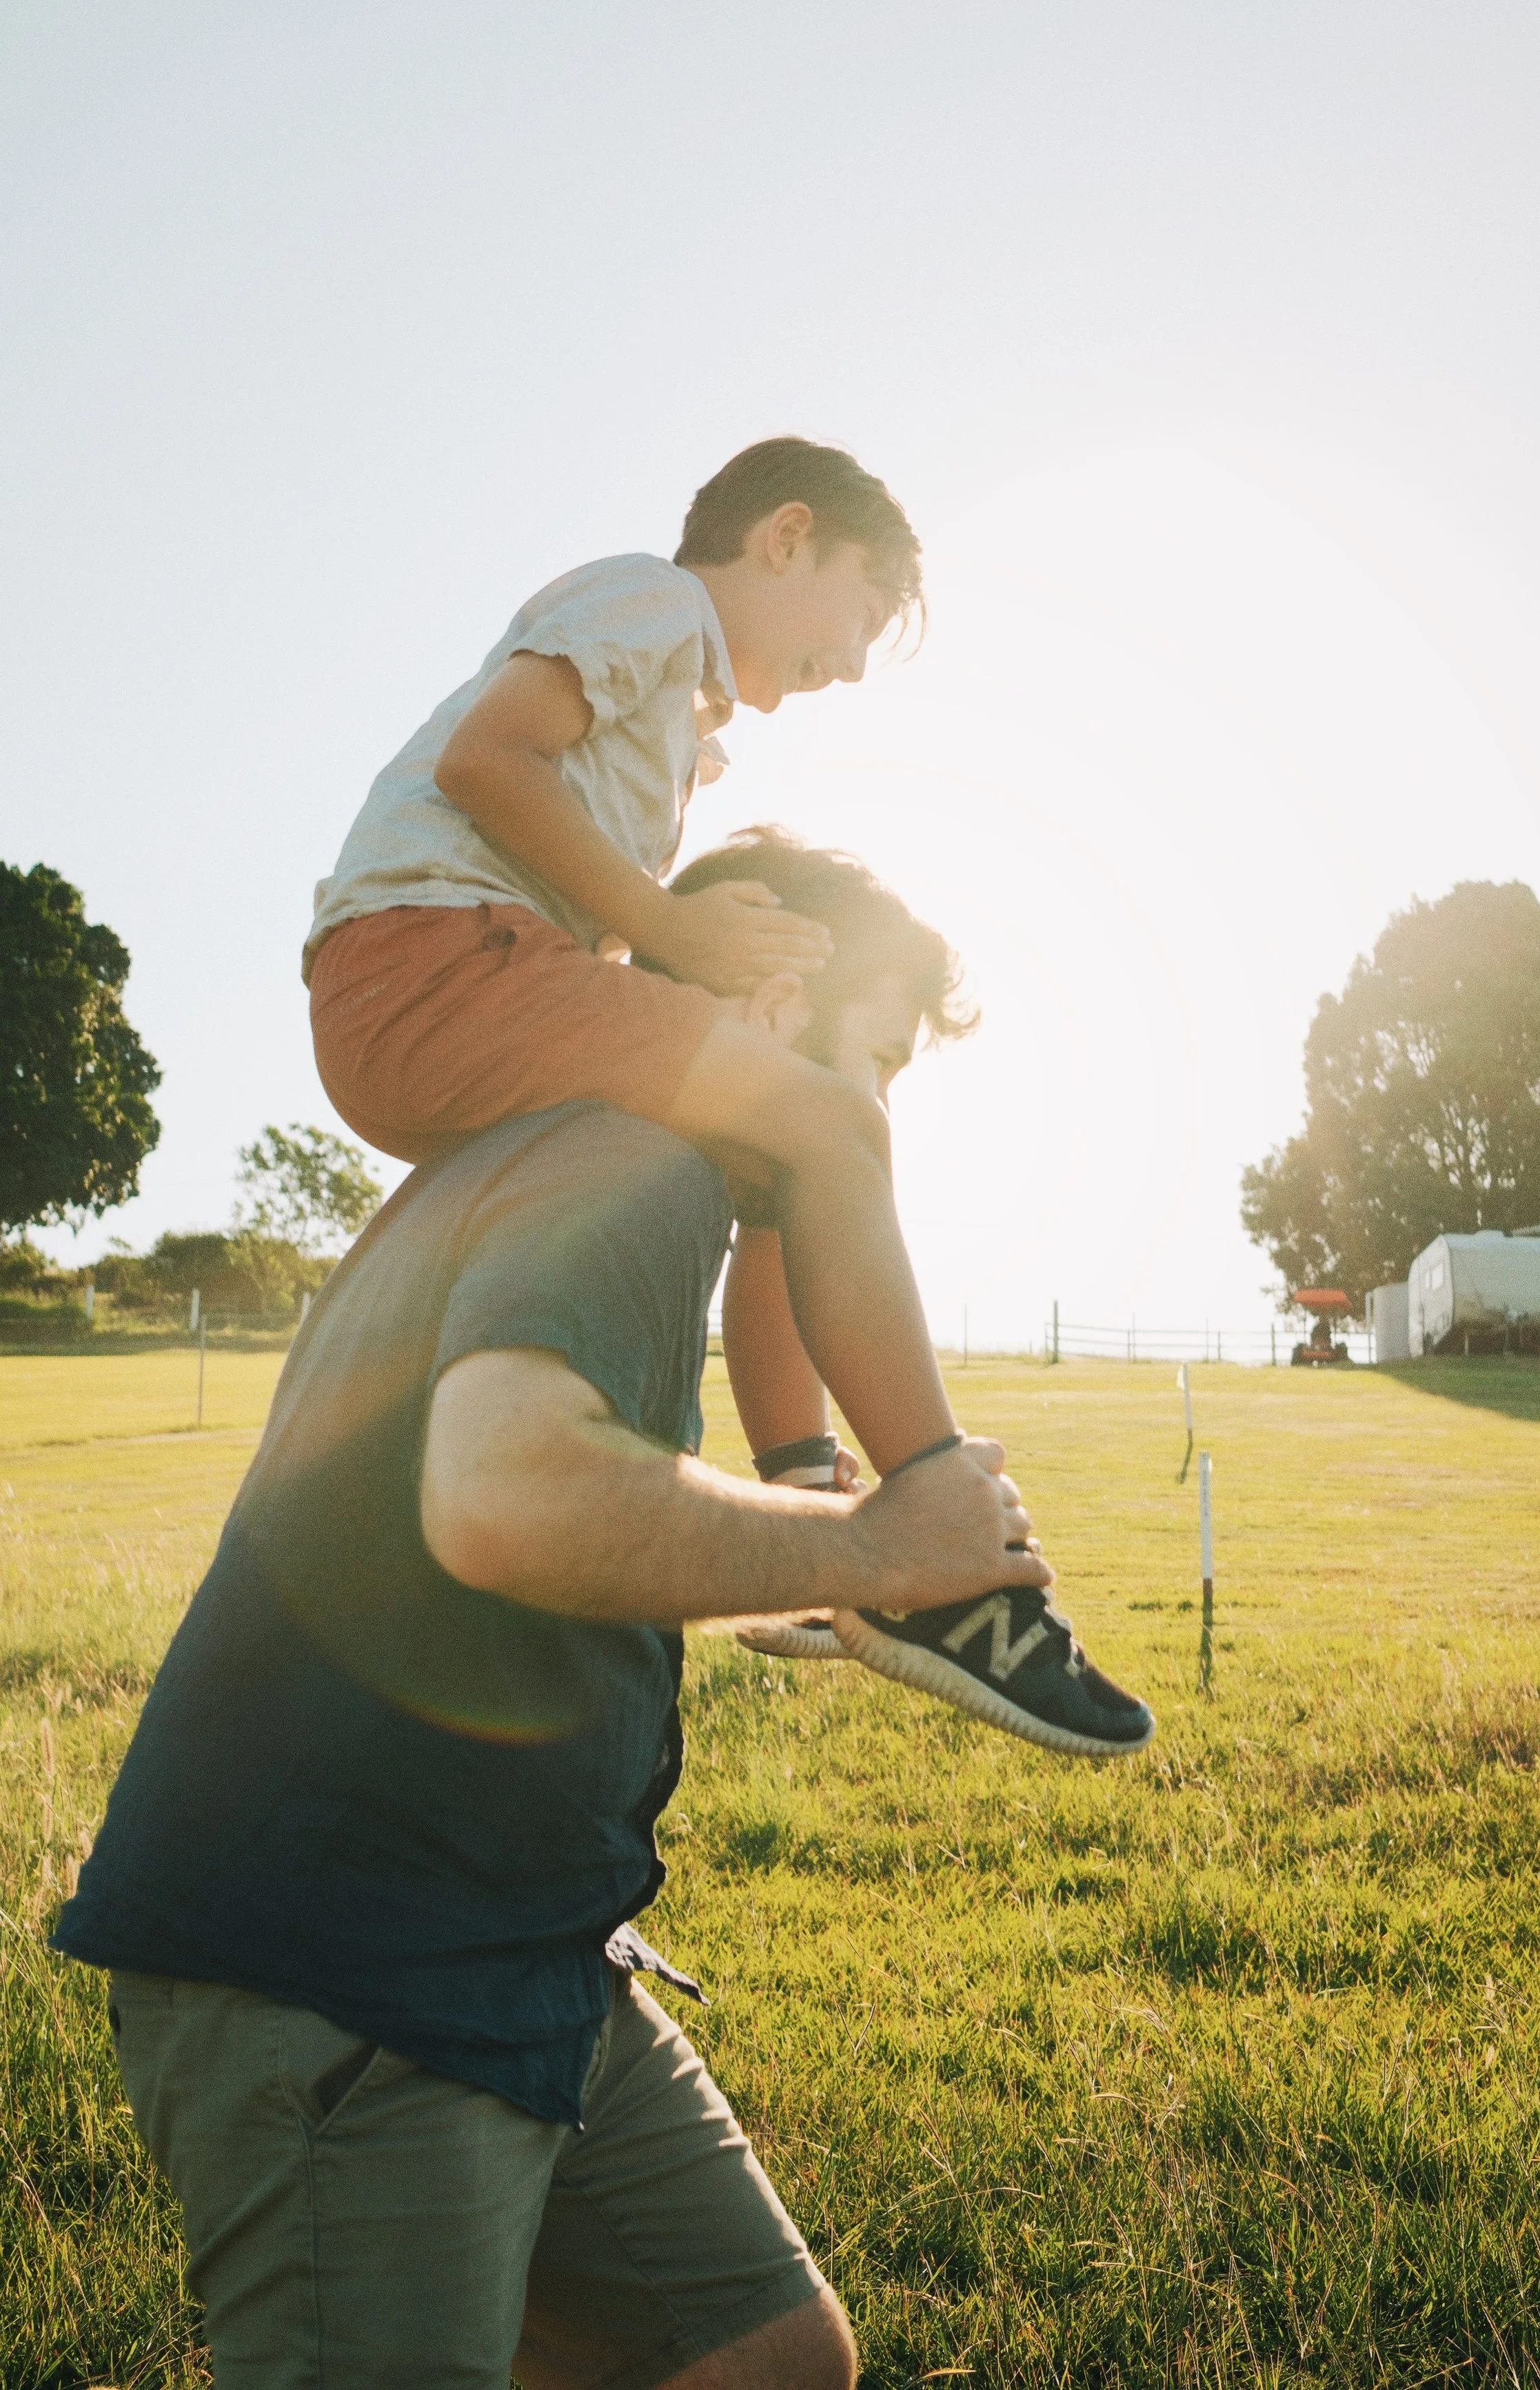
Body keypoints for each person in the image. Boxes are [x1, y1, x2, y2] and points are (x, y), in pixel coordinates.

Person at [54, 838, 1142, 2390]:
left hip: (523, 1942)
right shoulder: (627, 1163)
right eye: (878, 1062)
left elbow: (558, 1534)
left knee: (760, 2356)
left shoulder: (606, 1166)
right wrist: (871, 1548)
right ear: (771, 1002)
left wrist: (812, 1526)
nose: (874, 1123)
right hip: (343, 1964)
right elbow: (505, 1500)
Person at [301, 438, 1139, 1752]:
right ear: (787, 536)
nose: (854, 664)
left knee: (775, 1160)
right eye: (862, 612)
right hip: (431, 959)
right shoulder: (653, 602)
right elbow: (485, 761)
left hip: (454, 981)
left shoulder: (684, 724)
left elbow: (578, 894)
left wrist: (686, 1000)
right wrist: (675, 941)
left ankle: (810, 1484)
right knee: (836, 1123)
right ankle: (952, 1548)